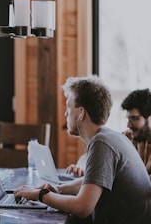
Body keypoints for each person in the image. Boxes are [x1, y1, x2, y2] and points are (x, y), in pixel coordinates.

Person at [14, 75, 151, 224]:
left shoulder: (102, 143)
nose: (66, 113)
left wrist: (39, 194)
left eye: (68, 106)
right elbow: (94, 181)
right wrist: (59, 189)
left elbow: (82, 207)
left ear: (81, 113)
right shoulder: (112, 137)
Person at [121, 88, 151, 179]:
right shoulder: (127, 137)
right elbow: (101, 152)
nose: (128, 125)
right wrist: (82, 167)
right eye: (128, 119)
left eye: (134, 118)